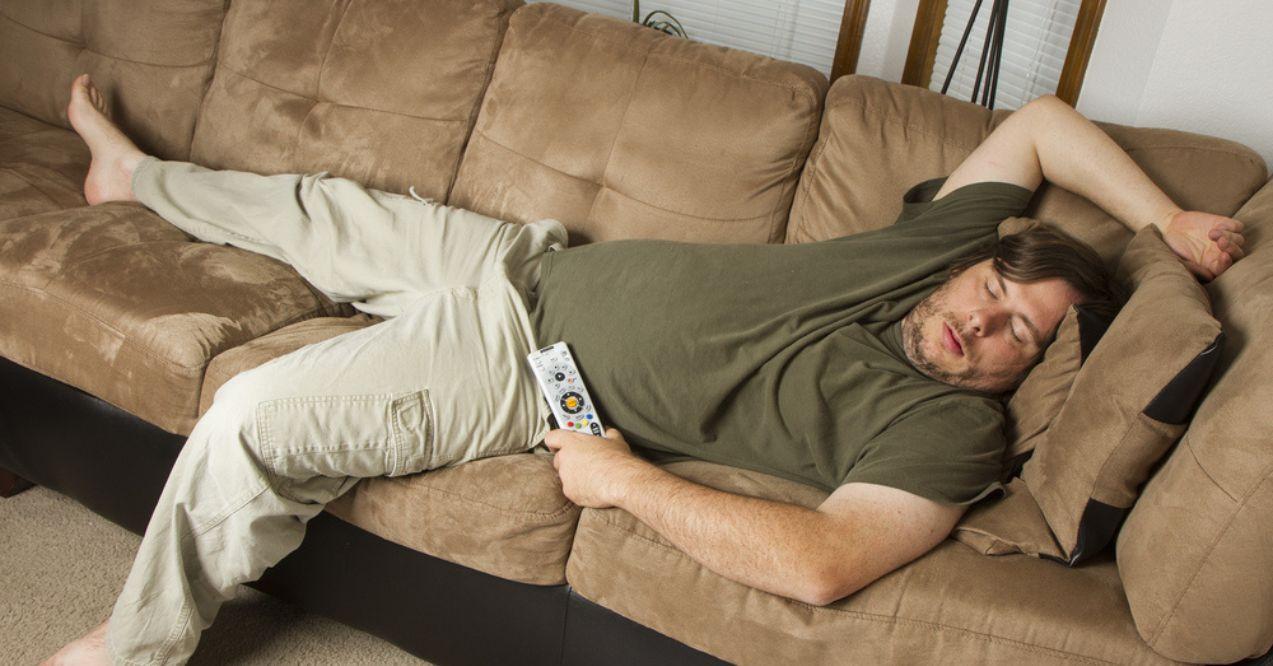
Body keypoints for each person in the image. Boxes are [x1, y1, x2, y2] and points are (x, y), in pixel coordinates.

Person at [45, 73, 1245, 665]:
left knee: (254, 415)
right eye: (994, 296)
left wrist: (620, 482)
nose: (984, 332)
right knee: (316, 206)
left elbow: (822, 564)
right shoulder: (935, 246)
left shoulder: (948, 436)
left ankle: (127, 645)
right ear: (973, 262)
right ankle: (129, 181)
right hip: (521, 260)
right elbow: (1039, 120)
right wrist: (1170, 220)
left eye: (1021, 340)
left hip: (519, 362)